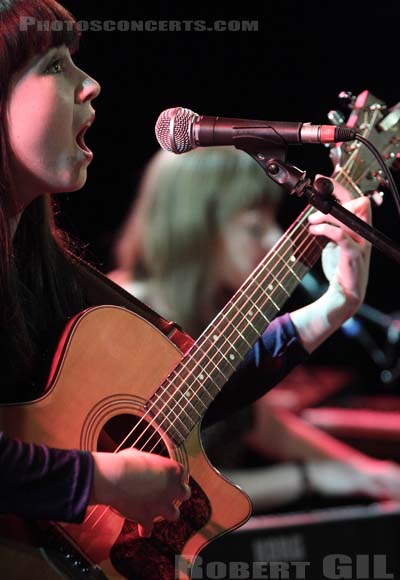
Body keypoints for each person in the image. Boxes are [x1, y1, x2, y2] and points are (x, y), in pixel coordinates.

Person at [0, 0, 369, 540]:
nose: (90, 84)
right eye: (55, 65)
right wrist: (92, 479)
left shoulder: (43, 265)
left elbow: (184, 392)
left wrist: (330, 309)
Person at [110, 147, 400, 512]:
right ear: (196, 227)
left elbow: (256, 422)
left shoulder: (215, 310)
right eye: (254, 226)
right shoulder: (122, 318)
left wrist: (371, 472)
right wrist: (310, 477)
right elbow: (177, 481)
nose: (272, 238)